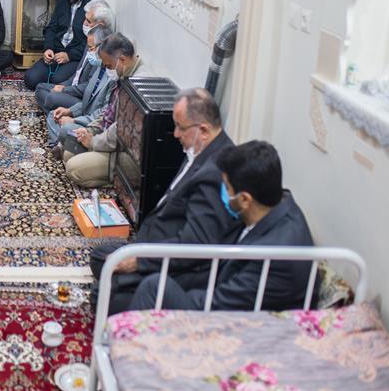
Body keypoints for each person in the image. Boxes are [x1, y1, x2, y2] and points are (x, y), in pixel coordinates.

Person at [89, 88, 236, 314]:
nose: (175, 134)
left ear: (204, 130)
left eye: (180, 127)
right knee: (100, 256)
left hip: (171, 263)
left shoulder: (215, 173)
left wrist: (139, 261)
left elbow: (194, 247)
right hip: (152, 244)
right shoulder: (199, 148)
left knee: (101, 295)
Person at [128, 141, 316, 311]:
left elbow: (221, 303)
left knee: (154, 288)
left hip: (235, 318)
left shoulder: (276, 258)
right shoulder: (273, 203)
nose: (222, 193)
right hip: (223, 282)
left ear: (244, 199)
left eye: (226, 187)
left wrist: (181, 292)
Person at [60, 33, 148, 184]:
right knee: (69, 153)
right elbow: (108, 112)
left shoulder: (138, 86)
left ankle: (118, 181)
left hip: (127, 154)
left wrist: (93, 142)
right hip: (110, 140)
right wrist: (90, 130)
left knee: (73, 168)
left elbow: (119, 131)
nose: (107, 70)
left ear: (122, 60)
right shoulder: (123, 74)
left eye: (108, 66)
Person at [23, 0, 100, 90]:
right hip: (56, 53)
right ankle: (47, 89)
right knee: (30, 79)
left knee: (58, 80)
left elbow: (93, 43)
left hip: (75, 57)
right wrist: (48, 48)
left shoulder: (95, 4)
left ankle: (49, 90)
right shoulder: (64, 0)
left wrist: (69, 56)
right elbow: (51, 27)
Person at [34, 0, 114, 112]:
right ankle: (56, 111)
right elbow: (78, 73)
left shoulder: (103, 49)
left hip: (82, 99)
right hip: (73, 88)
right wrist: (63, 86)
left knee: (51, 97)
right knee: (40, 87)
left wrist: (64, 90)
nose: (84, 23)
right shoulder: (91, 39)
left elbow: (89, 87)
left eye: (88, 21)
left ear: (100, 25)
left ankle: (58, 113)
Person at [44, 25, 113, 148]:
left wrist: (74, 120)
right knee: (53, 115)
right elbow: (88, 101)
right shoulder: (100, 68)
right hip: (84, 114)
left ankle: (64, 147)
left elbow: (104, 115)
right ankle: (64, 147)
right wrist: (70, 111)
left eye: (91, 48)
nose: (89, 52)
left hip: (93, 125)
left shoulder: (113, 76)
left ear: (103, 46)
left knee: (66, 128)